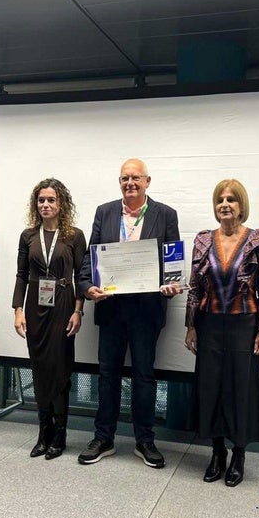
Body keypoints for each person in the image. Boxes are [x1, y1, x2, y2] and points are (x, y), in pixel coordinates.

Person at [77, 158, 180, 469]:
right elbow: (90, 259)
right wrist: (86, 287)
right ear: (119, 182)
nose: (130, 183)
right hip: (111, 308)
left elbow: (172, 258)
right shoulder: (105, 212)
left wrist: (172, 283)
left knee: (144, 376)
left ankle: (145, 441)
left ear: (148, 181)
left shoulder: (165, 214)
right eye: (124, 178)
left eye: (136, 178)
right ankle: (103, 438)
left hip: (146, 309)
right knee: (107, 375)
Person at [185, 179, 259, 487]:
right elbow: (195, 288)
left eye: (231, 200)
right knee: (211, 388)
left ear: (241, 206)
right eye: (220, 199)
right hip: (208, 324)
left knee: (240, 389)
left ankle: (238, 453)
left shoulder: (258, 241)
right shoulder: (202, 241)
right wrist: (191, 326)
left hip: (244, 325)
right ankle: (217, 452)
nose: (225, 204)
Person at [12, 178, 86, 460]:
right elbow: (21, 275)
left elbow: (81, 275)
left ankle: (60, 435)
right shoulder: (28, 236)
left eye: (51, 200)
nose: (45, 205)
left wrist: (78, 310)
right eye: (41, 200)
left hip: (64, 305)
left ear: (61, 204)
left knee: (60, 367)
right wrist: (17, 310)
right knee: (40, 368)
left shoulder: (74, 236)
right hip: (35, 307)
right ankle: (44, 432)